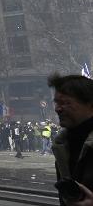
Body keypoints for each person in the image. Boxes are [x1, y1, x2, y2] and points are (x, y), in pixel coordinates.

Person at [48, 74, 93, 206]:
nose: (58, 109)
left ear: (90, 104)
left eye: (66, 103)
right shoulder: (62, 146)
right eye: (57, 102)